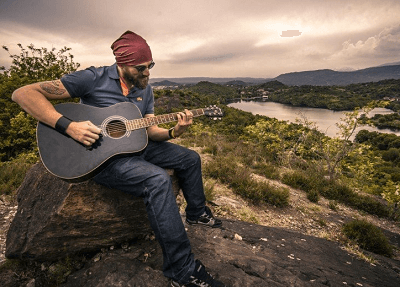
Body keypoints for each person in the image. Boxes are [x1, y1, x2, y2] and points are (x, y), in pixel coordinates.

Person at [12, 31, 226, 287]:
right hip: (101, 156)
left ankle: (196, 212)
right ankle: (182, 271)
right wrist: (69, 127)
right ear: (122, 64)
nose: (147, 73)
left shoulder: (145, 90)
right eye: (141, 68)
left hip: (136, 146)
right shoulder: (93, 78)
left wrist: (173, 132)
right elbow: (23, 94)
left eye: (150, 66)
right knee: (158, 180)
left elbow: (148, 130)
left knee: (190, 158)